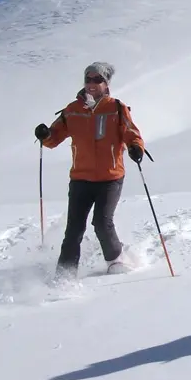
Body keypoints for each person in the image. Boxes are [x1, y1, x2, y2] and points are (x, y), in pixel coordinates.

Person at [34, 62, 146, 279]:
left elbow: (132, 133)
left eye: (97, 79)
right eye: (88, 79)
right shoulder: (72, 110)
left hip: (110, 177)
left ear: (106, 83)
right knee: (74, 229)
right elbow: (53, 138)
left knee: (102, 222)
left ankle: (116, 260)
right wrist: (45, 135)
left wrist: (136, 147)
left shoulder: (117, 108)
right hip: (81, 178)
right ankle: (65, 274)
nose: (92, 84)